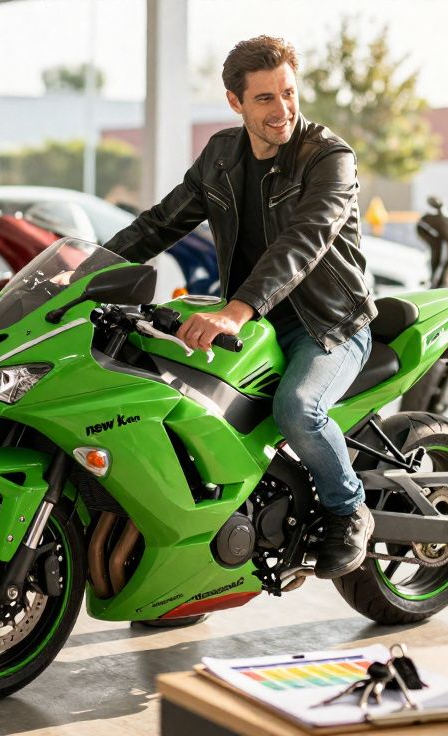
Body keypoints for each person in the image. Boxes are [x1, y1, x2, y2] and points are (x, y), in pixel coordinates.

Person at [103, 36, 378, 580]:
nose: (282, 111)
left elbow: (303, 241)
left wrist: (236, 310)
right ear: (235, 102)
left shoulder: (329, 158)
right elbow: (159, 224)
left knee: (297, 409)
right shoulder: (221, 156)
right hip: (257, 322)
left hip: (327, 324)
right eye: (265, 99)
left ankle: (350, 509)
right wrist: (85, 273)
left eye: (289, 93)